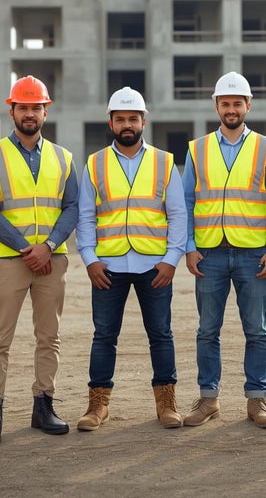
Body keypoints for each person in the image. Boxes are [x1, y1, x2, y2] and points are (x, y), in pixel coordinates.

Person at [0, 75, 78, 444]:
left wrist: (48, 246)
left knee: (49, 338)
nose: (30, 113)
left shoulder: (63, 158)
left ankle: (43, 406)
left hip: (52, 260)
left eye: (37, 107)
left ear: (45, 111)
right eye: (24, 107)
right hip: (10, 260)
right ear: (12, 109)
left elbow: (71, 208)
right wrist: (26, 248)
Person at [75, 87, 185, 431]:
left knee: (161, 334)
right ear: (110, 122)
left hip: (154, 265)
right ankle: (98, 406)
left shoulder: (165, 162)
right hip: (108, 266)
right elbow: (85, 216)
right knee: (104, 335)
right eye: (120, 119)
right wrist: (90, 259)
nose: (127, 124)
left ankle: (166, 404)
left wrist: (171, 259)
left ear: (143, 121)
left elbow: (178, 214)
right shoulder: (95, 163)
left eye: (133, 119)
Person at [182, 71, 266, 429]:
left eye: (237, 103)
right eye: (225, 103)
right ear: (216, 106)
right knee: (207, 330)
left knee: (256, 330)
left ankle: (257, 400)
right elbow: (186, 201)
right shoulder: (197, 149)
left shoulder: (265, 147)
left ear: (248, 106)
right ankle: (208, 399)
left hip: (252, 254)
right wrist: (190, 247)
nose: (231, 109)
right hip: (209, 254)